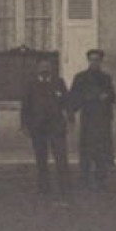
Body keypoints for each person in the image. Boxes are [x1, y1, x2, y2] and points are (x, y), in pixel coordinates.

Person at [20, 59, 71, 193]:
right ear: (37, 69)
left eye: (47, 68)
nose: (44, 71)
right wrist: (24, 124)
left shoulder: (59, 83)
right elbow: (25, 106)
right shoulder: (31, 84)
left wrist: (70, 120)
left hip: (56, 126)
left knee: (61, 157)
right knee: (41, 158)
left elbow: (67, 102)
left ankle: (64, 186)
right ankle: (44, 187)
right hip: (38, 127)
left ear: (51, 69)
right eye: (42, 68)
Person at [68, 49, 116, 189]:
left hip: (102, 117)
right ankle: (84, 176)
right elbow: (74, 96)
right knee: (86, 147)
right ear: (88, 61)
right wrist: (71, 112)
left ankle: (101, 178)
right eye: (92, 59)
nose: (94, 62)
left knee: (102, 148)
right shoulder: (81, 77)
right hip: (88, 117)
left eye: (97, 60)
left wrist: (107, 96)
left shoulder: (106, 78)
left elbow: (113, 96)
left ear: (101, 61)